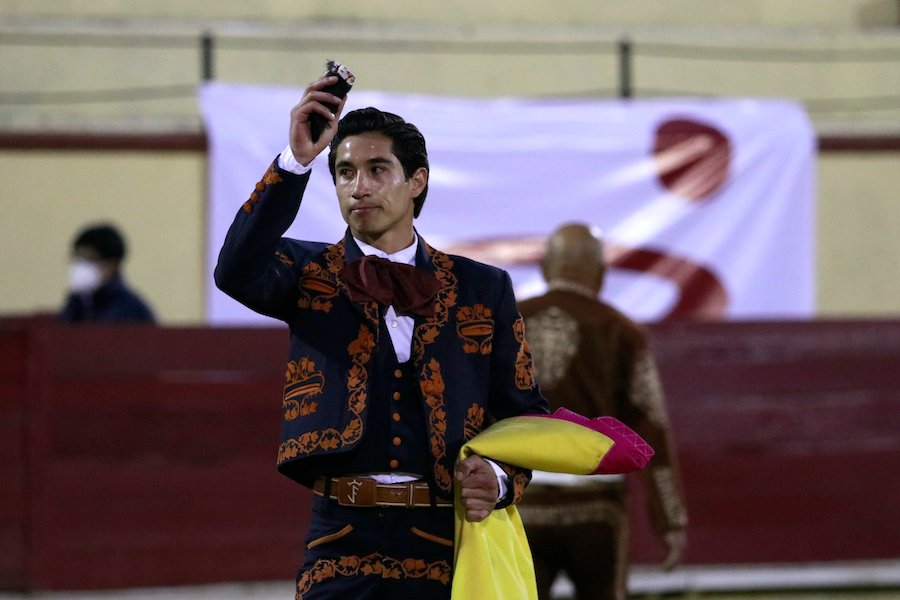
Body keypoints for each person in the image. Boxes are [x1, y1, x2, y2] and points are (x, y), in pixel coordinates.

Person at [214, 71, 548, 599]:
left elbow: (523, 413)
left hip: (445, 535)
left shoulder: (483, 287)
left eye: (377, 170)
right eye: (345, 172)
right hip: (341, 535)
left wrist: (500, 478)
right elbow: (234, 270)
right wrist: (295, 161)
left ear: (416, 181)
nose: (359, 186)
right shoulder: (308, 272)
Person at [517, 223, 688, 600]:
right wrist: (669, 519)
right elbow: (651, 426)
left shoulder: (508, 323)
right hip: (597, 509)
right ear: (601, 274)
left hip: (522, 505)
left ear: (544, 269)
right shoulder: (622, 331)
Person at [60, 222, 156, 324]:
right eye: (78, 259)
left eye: (90, 260)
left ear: (113, 264)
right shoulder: (76, 303)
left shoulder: (131, 309)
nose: (81, 267)